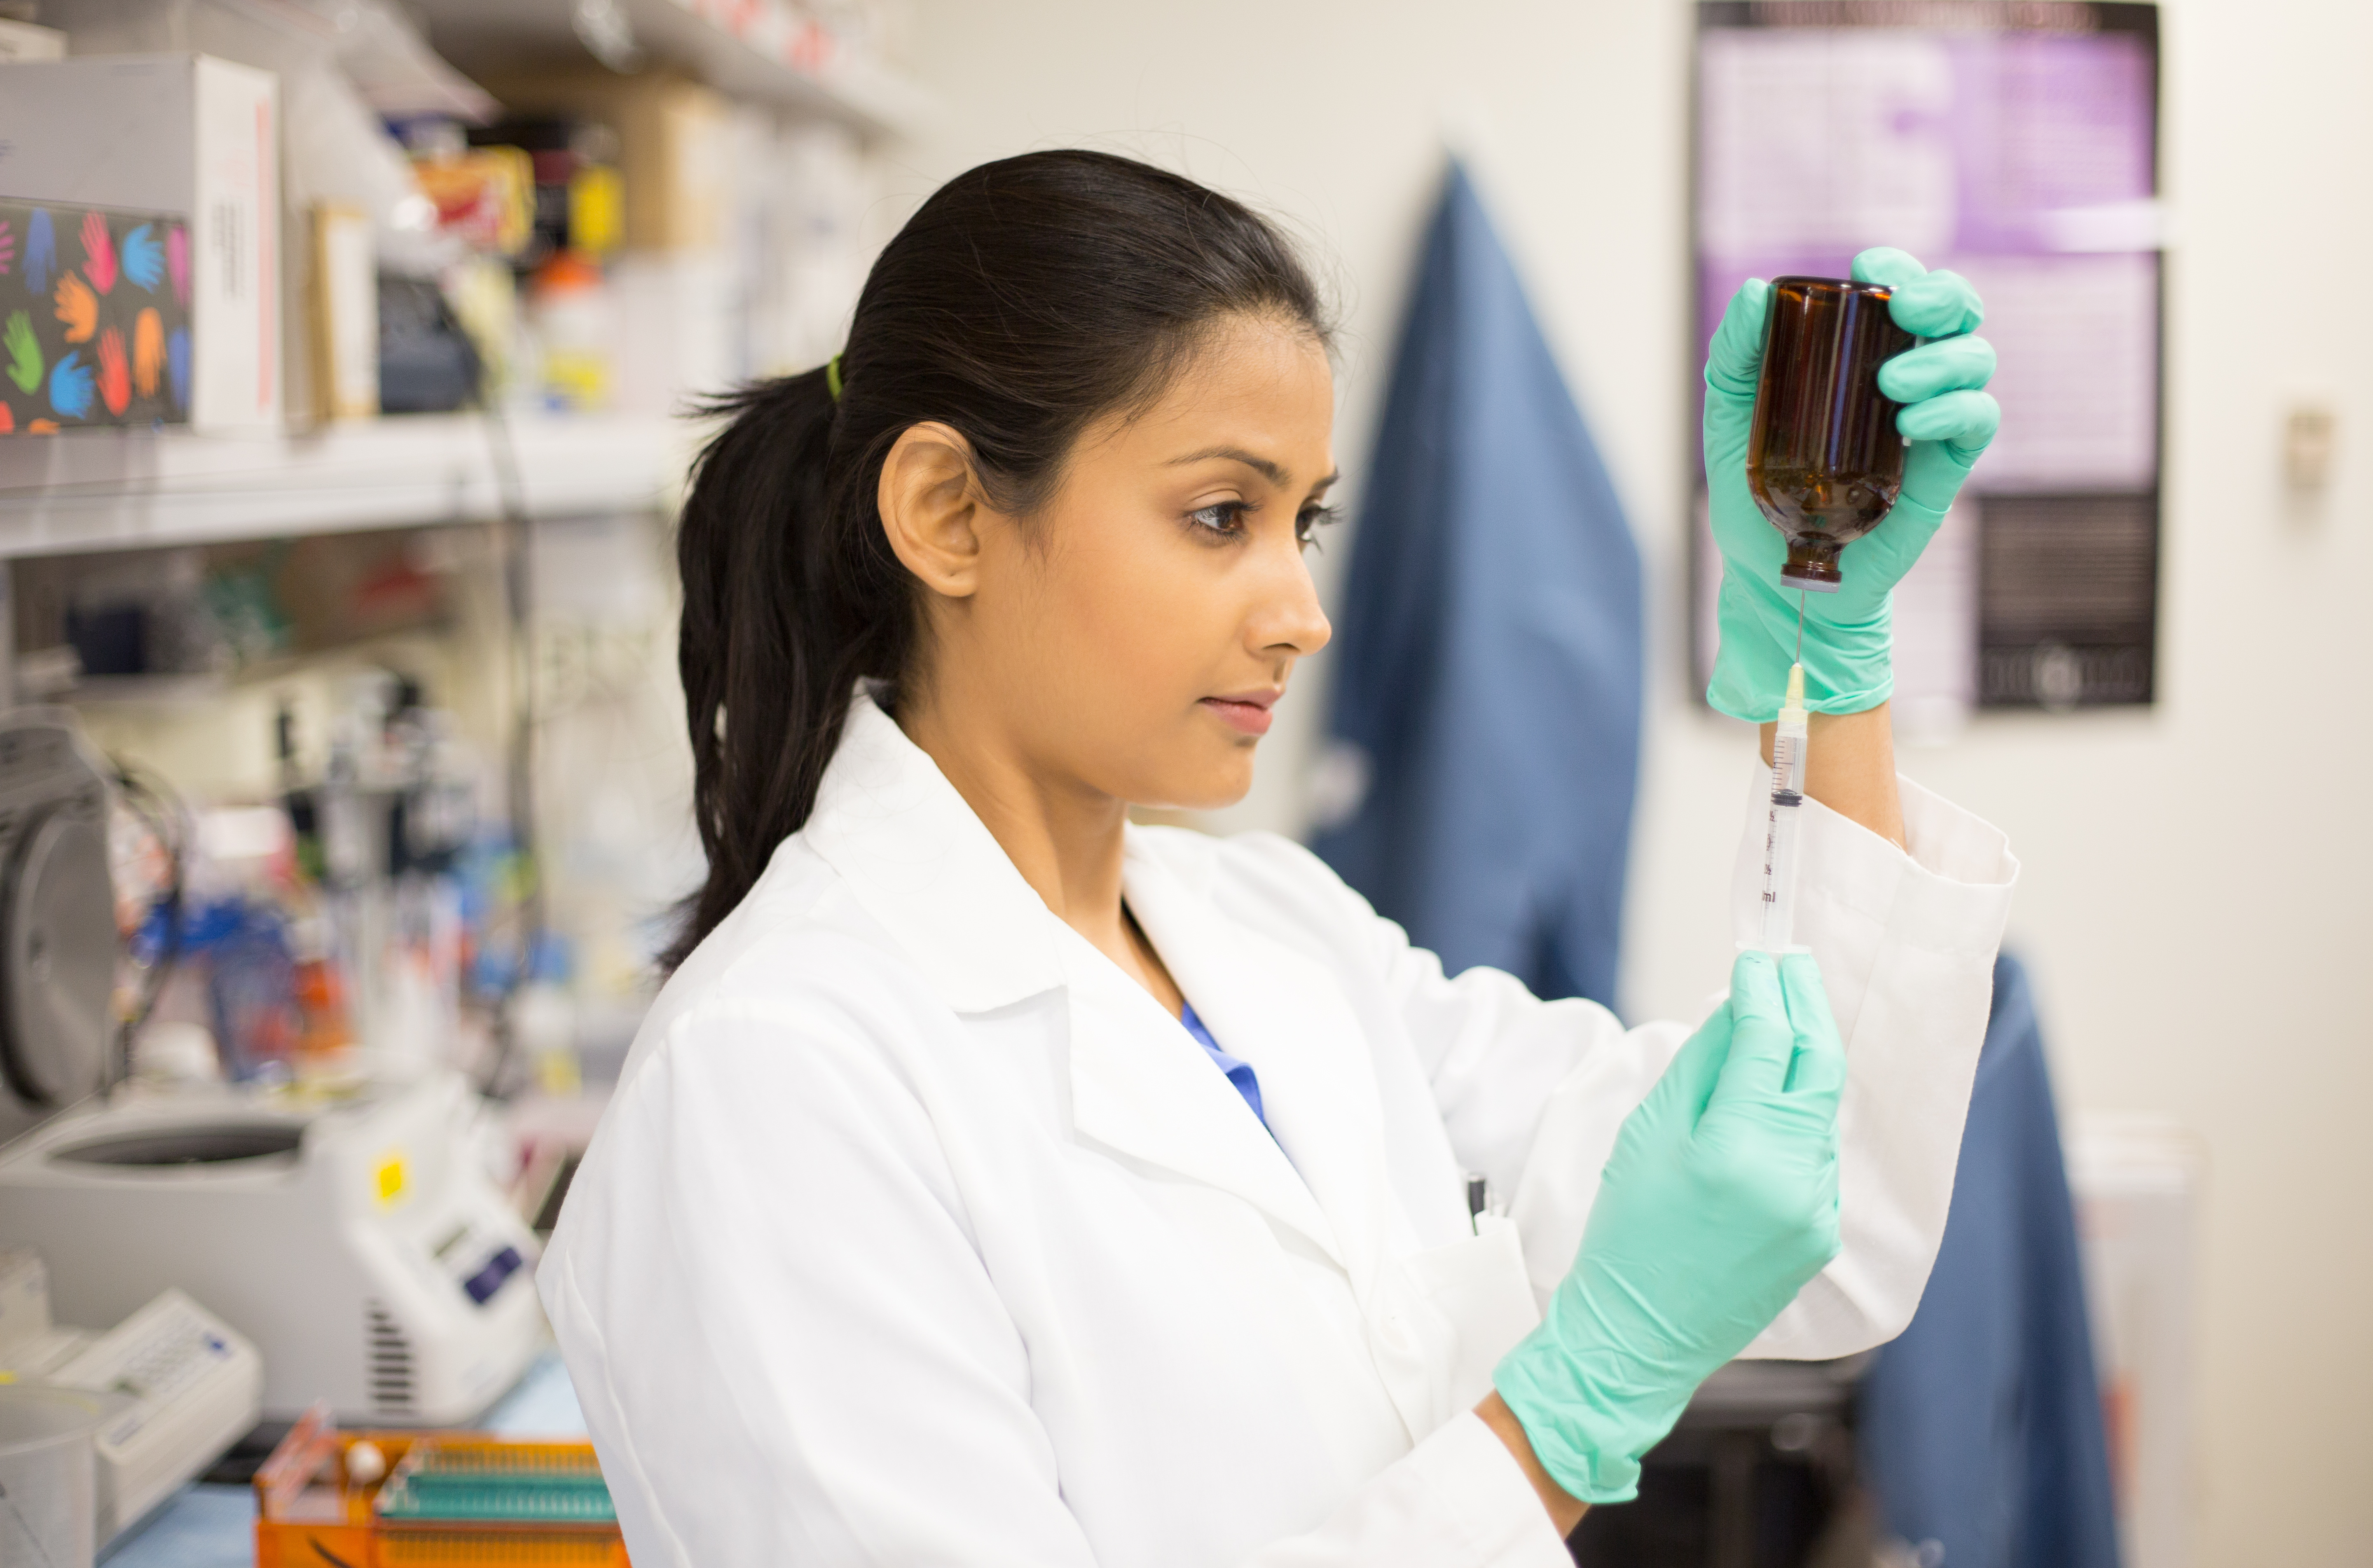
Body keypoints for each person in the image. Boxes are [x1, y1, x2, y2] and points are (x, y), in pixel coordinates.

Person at [539, 150, 2013, 1566]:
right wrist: (1559, 1428)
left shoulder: (1273, 931)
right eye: (1218, 516)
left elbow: (1809, 1207)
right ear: (947, 514)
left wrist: (1833, 661)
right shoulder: (774, 1075)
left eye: (1302, 522)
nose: (1303, 611)